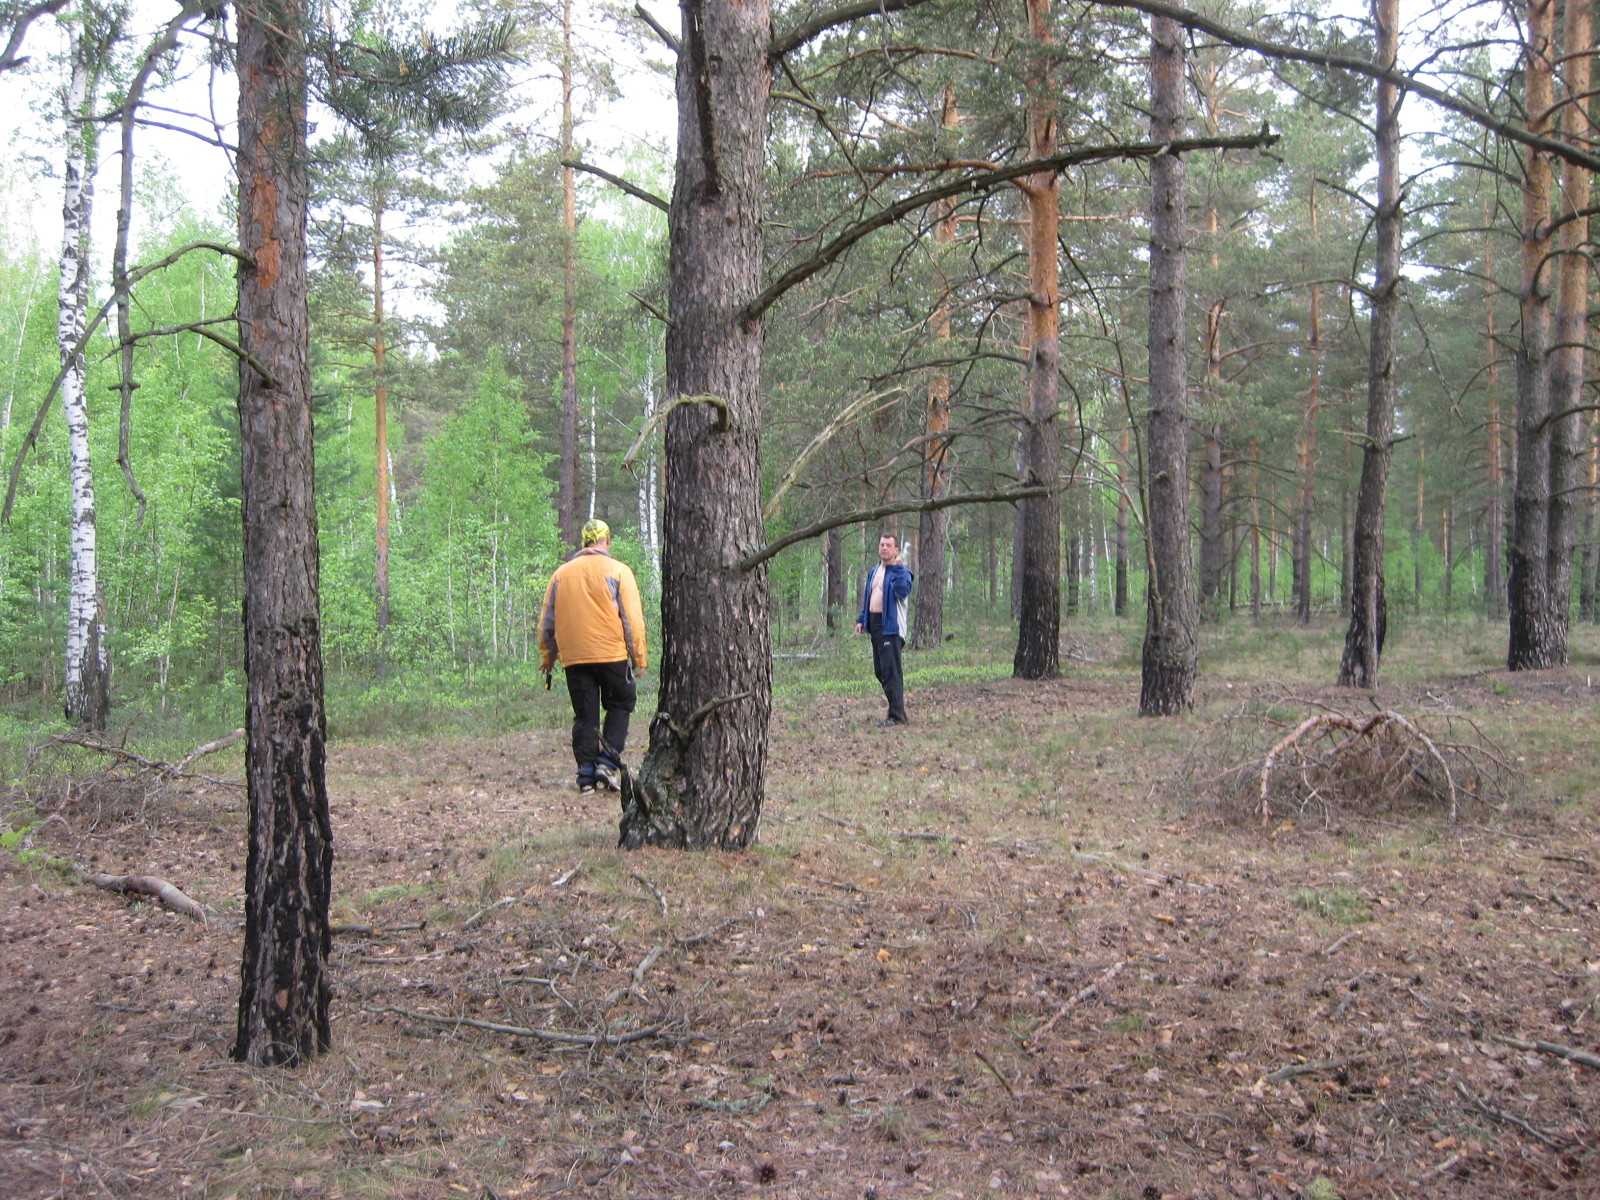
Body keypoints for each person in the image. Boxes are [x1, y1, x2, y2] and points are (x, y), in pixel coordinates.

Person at [538, 519, 648, 793]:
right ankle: (607, 763)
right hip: (611, 654)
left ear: (584, 541)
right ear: (607, 540)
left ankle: (586, 776)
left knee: (585, 715)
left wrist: (548, 657)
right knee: (621, 703)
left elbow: (547, 622)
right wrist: (639, 657)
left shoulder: (560, 574)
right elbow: (632, 620)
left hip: (574, 658)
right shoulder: (619, 571)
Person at [855, 532, 914, 726]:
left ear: (896, 550)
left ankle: (897, 716)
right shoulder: (874, 571)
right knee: (880, 671)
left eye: (888, 545)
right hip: (875, 624)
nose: (884, 548)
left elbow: (902, 591)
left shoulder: (901, 572)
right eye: (882, 545)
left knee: (891, 671)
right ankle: (895, 710)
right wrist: (862, 620)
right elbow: (868, 597)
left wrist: (898, 569)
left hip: (891, 627)